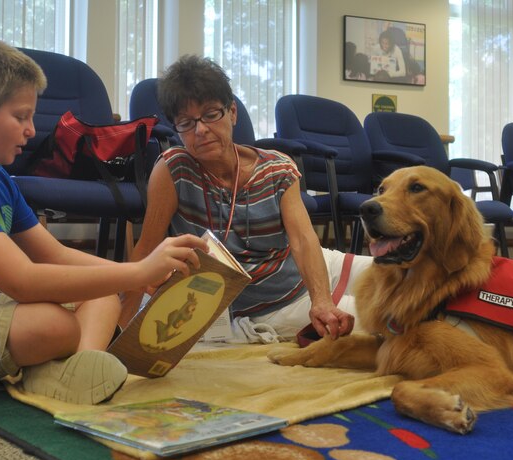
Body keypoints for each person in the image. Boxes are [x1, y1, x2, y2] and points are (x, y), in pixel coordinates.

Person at [0, 38, 207, 405]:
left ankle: (70, 373)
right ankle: (54, 372)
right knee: (54, 326)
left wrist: (137, 273)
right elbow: (23, 281)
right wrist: (139, 273)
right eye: (20, 117)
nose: (32, 130)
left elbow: (54, 255)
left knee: (99, 295)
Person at [122, 55, 373, 343]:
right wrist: (120, 331)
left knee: (403, 274)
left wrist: (322, 301)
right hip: (276, 304)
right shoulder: (172, 170)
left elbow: (304, 241)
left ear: (232, 113)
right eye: (186, 123)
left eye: (210, 115)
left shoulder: (277, 167)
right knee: (386, 317)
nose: (200, 130)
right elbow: (147, 249)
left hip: (312, 266)